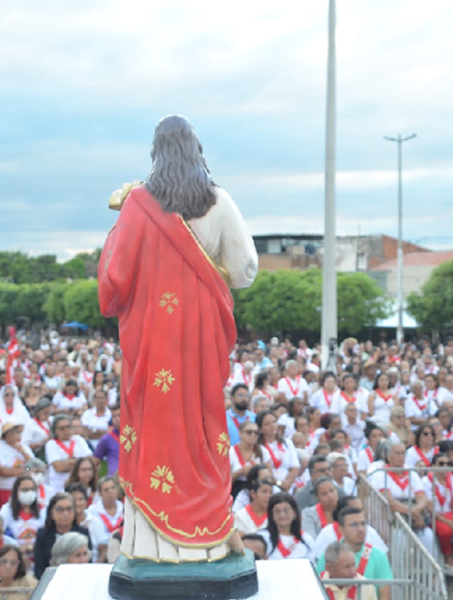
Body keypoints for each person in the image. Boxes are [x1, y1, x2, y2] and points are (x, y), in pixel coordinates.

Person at [98, 115, 257, 561]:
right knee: (202, 423)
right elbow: (245, 271)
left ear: (155, 153)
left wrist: (120, 228)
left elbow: (116, 274)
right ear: (197, 151)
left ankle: (150, 544)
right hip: (201, 334)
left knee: (155, 421)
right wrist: (208, 273)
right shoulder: (220, 201)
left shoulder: (138, 203)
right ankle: (206, 537)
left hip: (153, 337)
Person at [367, 441, 434, 554]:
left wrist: (416, 511)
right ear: (388, 456)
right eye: (397, 453)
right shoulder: (380, 474)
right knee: (400, 539)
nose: (401, 457)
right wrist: (412, 512)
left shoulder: (412, 473)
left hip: (414, 515)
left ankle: (427, 571)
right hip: (392, 518)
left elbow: (422, 497)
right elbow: (389, 501)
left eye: (403, 453)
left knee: (428, 536)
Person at [316, 507, 393, 600]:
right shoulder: (327, 557)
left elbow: (385, 596)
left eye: (363, 524)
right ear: (341, 529)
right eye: (354, 525)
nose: (361, 529)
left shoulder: (379, 557)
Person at [33, 492, 92, 578]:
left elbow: (88, 563)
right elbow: (39, 567)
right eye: (60, 509)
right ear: (51, 513)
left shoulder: (83, 533)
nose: (65, 513)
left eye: (69, 509)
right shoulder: (43, 535)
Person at [0, 474, 45, 561]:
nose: (29, 493)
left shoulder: (43, 510)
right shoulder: (7, 510)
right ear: (16, 491)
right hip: (14, 555)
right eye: (25, 490)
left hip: (38, 555)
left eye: (32, 489)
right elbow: (1, 534)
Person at [44, 415, 92, 494]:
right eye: (62, 428)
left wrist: (68, 462)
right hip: (59, 486)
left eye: (68, 427)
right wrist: (80, 463)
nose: (66, 430)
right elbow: (59, 467)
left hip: (80, 484)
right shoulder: (51, 444)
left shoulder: (78, 439)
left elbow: (90, 460)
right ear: (55, 431)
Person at [259, 410, 300, 492]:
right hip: (269, 487)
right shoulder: (259, 447)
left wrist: (287, 484)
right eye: (267, 424)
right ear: (260, 429)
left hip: (288, 485)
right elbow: (264, 473)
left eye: (274, 422)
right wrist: (279, 483)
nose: (272, 425)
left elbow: (295, 467)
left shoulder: (287, 442)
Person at [263, 493, 313, 560]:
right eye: (277, 511)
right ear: (272, 515)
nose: (282, 515)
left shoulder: (307, 540)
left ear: (294, 513)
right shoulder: (263, 538)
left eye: (286, 510)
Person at [87, 476, 123, 563]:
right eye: (106, 490)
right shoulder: (93, 510)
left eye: (113, 488)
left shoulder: (124, 508)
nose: (111, 492)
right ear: (100, 493)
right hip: (100, 550)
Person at [230, 421, 265, 497]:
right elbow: (226, 482)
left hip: (257, 489)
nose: (253, 435)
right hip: (236, 489)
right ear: (240, 433)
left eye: (256, 433)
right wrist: (240, 472)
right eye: (249, 432)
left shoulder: (263, 451)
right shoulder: (231, 452)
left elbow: (270, 475)